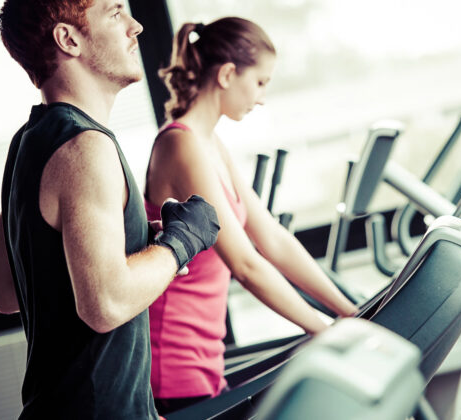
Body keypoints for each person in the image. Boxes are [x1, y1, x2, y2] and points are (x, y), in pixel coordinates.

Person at [0, 0, 220, 418]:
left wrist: (132, 239)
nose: (136, 27)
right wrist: (181, 242)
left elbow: (6, 291)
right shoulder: (85, 148)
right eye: (115, 13)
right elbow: (105, 304)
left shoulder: (27, 142)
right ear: (68, 39)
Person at [144, 17, 359, 414]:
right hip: (174, 368)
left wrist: (349, 311)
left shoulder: (209, 143)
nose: (261, 98)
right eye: (260, 82)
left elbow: (272, 238)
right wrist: (324, 328)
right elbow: (245, 263)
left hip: (203, 361)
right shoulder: (180, 145)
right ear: (227, 74)